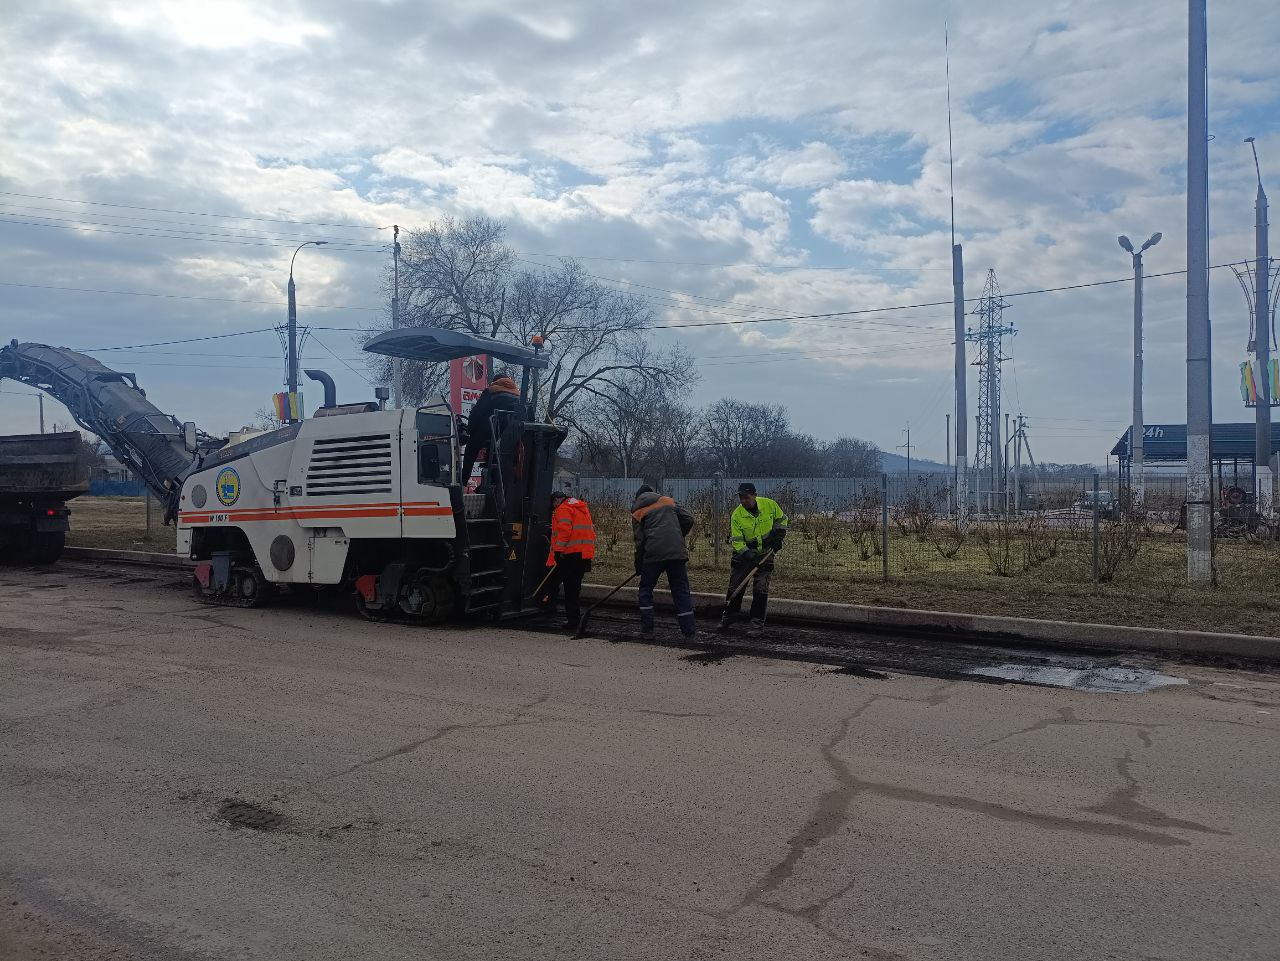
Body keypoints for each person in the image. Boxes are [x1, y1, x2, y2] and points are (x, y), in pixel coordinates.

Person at [718, 482, 788, 632]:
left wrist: (779, 537)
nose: (743, 501)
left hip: (765, 554)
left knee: (761, 589)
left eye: (746, 497)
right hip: (744, 556)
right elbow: (737, 541)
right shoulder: (737, 515)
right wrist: (748, 554)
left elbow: (782, 520)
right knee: (736, 587)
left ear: (755, 495)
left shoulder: (769, 505)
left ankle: (757, 623)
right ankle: (729, 616)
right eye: (741, 498)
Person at [631, 485, 698, 638]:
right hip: (676, 552)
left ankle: (647, 630)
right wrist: (676, 536)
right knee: (681, 590)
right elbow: (689, 519)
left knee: (645, 589)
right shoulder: (667, 501)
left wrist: (639, 564)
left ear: (638, 496)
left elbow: (639, 541)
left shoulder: (637, 509)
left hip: (653, 553)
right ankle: (689, 631)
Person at [539, 490, 595, 629]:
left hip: (570, 555)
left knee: (562, 586)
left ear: (557, 500)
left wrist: (558, 551)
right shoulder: (580, 507)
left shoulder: (563, 508)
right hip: (584, 555)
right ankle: (574, 619)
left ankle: (560, 615)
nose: (554, 508)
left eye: (553, 505)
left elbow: (564, 531)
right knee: (574, 589)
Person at [459, 374, 524, 486]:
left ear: (495, 381)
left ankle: (463, 479)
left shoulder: (491, 391)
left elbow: (477, 412)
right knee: (495, 452)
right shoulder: (518, 395)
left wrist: (470, 430)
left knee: (472, 447)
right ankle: (492, 483)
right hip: (508, 434)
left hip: (489, 429)